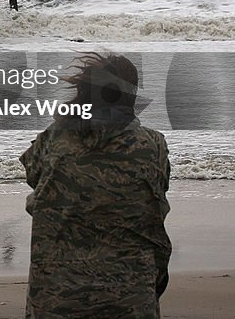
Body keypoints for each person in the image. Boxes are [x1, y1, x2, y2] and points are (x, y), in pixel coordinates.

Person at [20, 52, 172, 318]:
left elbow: (34, 175)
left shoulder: (53, 138)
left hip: (55, 297)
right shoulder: (153, 145)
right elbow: (157, 196)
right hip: (131, 298)